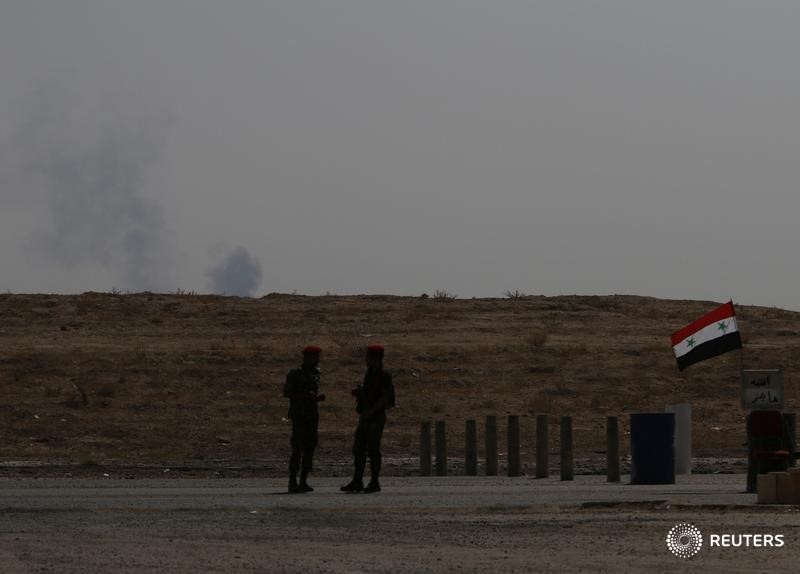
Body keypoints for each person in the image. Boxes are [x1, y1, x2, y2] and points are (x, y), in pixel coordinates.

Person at [341, 343, 395, 493]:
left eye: (368, 356)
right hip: (365, 416)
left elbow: (384, 398)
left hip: (375, 417)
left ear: (375, 358)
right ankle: (357, 480)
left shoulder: (384, 374)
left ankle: (374, 482)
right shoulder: (369, 372)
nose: (366, 359)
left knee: (373, 450)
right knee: (359, 450)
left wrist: (371, 412)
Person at [284, 345, 325, 493]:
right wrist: (305, 396)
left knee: (309, 449)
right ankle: (292, 481)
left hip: (312, 415)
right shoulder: (295, 374)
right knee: (297, 449)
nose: (317, 360)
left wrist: (316, 398)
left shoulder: (316, 373)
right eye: (315, 357)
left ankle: (303, 481)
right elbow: (287, 393)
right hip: (299, 415)